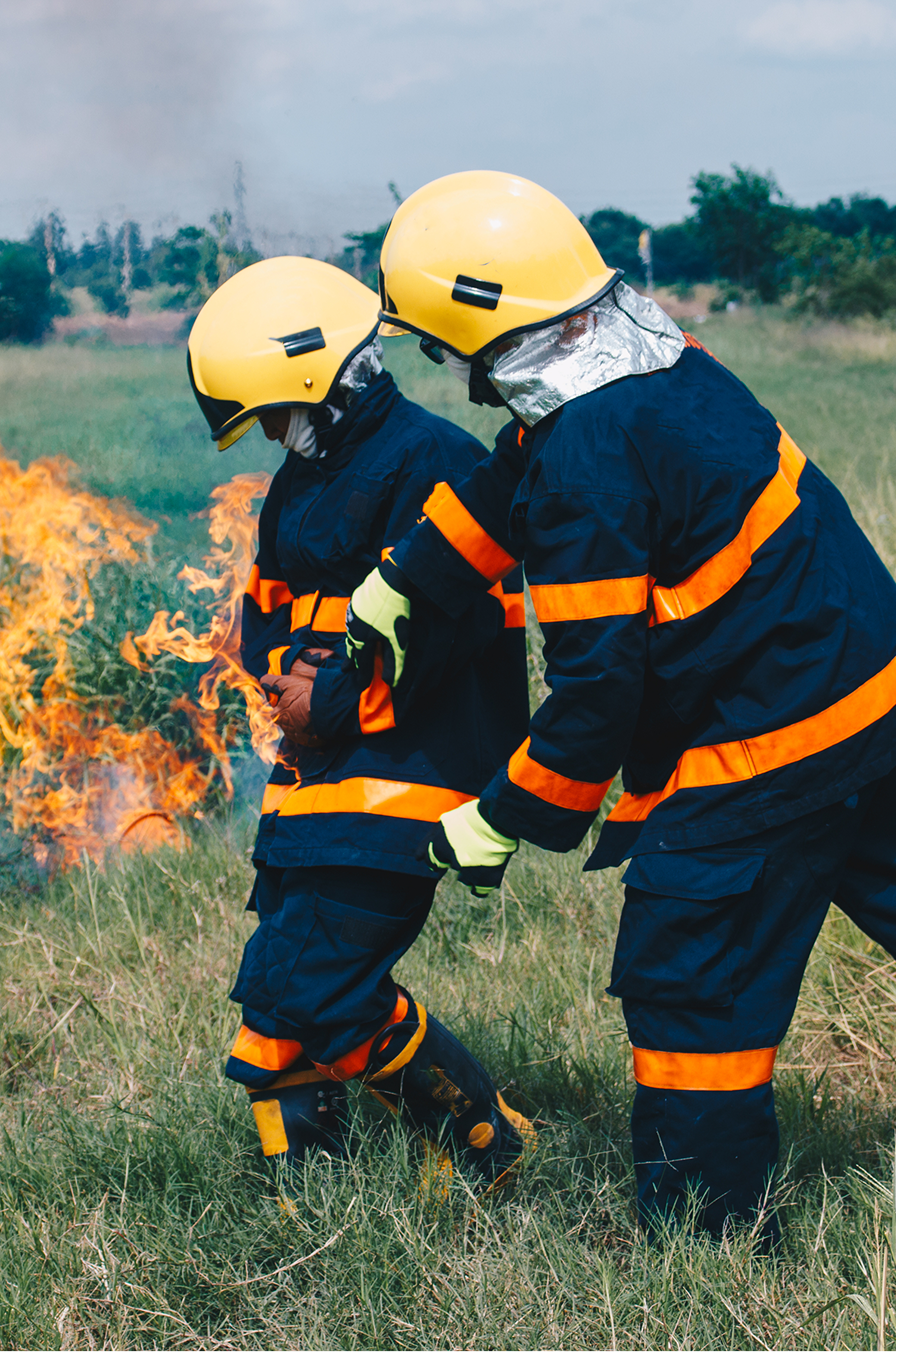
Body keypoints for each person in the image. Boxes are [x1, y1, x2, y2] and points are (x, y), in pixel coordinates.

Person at [345, 171, 895, 1243]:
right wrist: (405, 579)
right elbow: (512, 474)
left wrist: (501, 816)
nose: (450, 373)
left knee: (690, 972)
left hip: (769, 744)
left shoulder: (585, 466)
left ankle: (704, 1235)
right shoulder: (653, 357)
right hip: (871, 697)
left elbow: (596, 693)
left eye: (443, 347)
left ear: (480, 328)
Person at [186, 255, 533, 1185]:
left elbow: (444, 623)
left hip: (406, 768)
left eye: (271, 412)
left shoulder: (438, 462)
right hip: (314, 771)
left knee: (313, 983)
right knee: (277, 997)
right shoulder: (298, 482)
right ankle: (310, 1195)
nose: (268, 433)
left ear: (319, 382)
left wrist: (328, 699)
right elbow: (267, 607)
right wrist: (281, 683)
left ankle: (484, 1145)